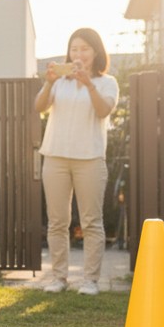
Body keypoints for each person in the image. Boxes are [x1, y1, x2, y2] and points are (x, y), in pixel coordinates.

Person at [35, 28, 119, 296]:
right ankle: (59, 278)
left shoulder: (108, 83)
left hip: (90, 158)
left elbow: (104, 110)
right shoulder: (59, 82)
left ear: (96, 52)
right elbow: (39, 107)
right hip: (55, 155)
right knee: (57, 221)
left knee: (91, 221)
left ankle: (90, 280)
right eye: (74, 49)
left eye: (84, 48)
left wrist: (89, 84)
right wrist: (48, 82)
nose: (78, 54)